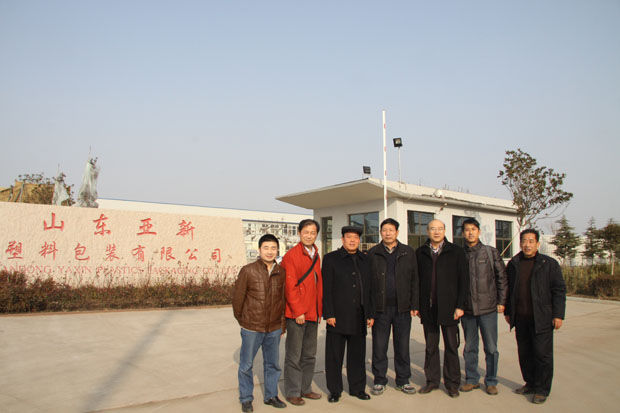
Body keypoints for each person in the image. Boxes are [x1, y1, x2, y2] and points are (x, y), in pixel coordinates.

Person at [505, 228, 566, 404]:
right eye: (524, 241)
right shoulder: (514, 263)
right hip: (521, 318)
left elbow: (559, 290)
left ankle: (542, 389)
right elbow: (509, 289)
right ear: (520, 243)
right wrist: (509, 311)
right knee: (525, 354)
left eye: (531, 241)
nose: (527, 245)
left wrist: (558, 314)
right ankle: (530, 383)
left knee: (542, 355)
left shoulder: (549, 264)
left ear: (538, 244)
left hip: (542, 318)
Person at [232, 234, 287, 413]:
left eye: (273, 248)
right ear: (259, 250)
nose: (270, 251)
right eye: (266, 248)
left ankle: (271, 396)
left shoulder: (281, 272)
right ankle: (246, 398)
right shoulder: (248, 271)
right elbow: (238, 299)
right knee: (246, 365)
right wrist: (244, 321)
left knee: (272, 364)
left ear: (277, 250)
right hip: (252, 328)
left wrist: (282, 325)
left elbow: (283, 300)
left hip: (274, 328)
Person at [416, 219, 469, 398]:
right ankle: (432, 380)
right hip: (428, 308)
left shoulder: (456, 252)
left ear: (445, 231)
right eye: (433, 229)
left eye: (440, 229)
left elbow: (464, 281)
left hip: (450, 308)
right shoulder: (421, 252)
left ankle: (452, 383)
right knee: (431, 346)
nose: (436, 232)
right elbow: (416, 281)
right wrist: (417, 305)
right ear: (427, 231)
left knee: (451, 346)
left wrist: (460, 306)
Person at [322, 226, 375, 403]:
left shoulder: (365, 260)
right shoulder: (331, 259)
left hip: (359, 315)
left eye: (355, 237)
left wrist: (370, 313)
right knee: (334, 356)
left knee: (357, 355)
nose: (352, 240)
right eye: (349, 237)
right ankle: (334, 390)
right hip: (337, 316)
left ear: (359, 240)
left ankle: (357, 388)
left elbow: (370, 288)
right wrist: (329, 313)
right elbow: (326, 289)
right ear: (342, 239)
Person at [368, 218, 419, 395]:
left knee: (402, 346)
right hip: (380, 309)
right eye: (384, 230)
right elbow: (368, 284)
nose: (388, 233)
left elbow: (415, 279)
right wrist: (370, 310)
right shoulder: (373, 253)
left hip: (402, 308)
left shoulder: (408, 252)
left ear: (397, 232)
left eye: (391, 230)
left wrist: (414, 303)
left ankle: (403, 380)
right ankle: (379, 380)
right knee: (379, 347)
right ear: (380, 232)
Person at [459, 218, 508, 395]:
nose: (470, 233)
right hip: (468, 310)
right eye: (467, 230)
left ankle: (491, 381)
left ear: (479, 231)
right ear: (463, 233)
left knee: (491, 348)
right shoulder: (459, 254)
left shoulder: (490, 252)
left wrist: (502, 301)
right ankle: (472, 379)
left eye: (473, 229)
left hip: (488, 309)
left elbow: (502, 278)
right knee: (470, 348)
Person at [281, 219, 323, 406]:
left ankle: (305, 388)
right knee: (294, 355)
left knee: (309, 355)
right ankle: (292, 392)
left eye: (313, 232)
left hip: (313, 313)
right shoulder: (292, 255)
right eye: (306, 232)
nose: (309, 235)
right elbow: (290, 286)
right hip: (297, 315)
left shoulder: (316, 254)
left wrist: (319, 310)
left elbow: (318, 284)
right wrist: (298, 311)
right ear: (299, 233)